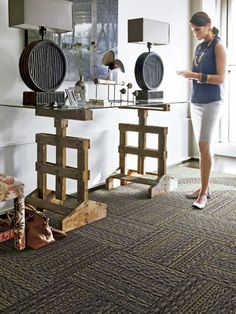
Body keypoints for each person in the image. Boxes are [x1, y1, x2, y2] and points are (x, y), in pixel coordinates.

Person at [178, 11, 227, 209]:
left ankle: (204, 194)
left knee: (205, 146)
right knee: (202, 147)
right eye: (192, 30)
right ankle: (203, 187)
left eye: (197, 29)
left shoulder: (219, 46)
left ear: (208, 25)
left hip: (212, 102)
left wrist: (193, 75)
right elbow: (198, 72)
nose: (195, 33)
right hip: (196, 101)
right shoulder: (200, 47)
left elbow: (221, 78)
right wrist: (189, 75)